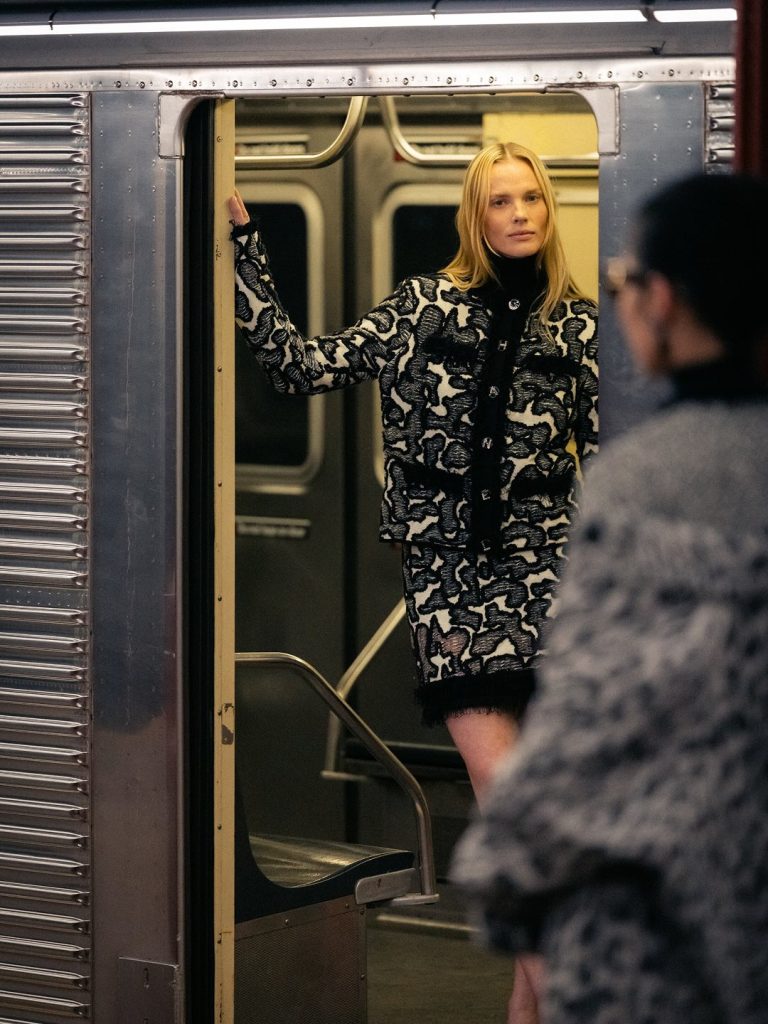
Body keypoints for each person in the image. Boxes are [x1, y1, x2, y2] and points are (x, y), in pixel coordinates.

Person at [229, 140, 598, 1020]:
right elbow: (298, 365)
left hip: (554, 589)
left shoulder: (580, 326)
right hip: (454, 594)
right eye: (501, 200)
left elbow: (617, 458)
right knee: (510, 814)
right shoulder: (423, 307)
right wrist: (242, 248)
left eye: (532, 198)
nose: (519, 214)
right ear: (476, 214)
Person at [451, 171, 768, 1024]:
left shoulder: (646, 481)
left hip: (675, 929)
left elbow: (594, 723)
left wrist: (507, 883)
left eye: (627, 281)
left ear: (661, 302)